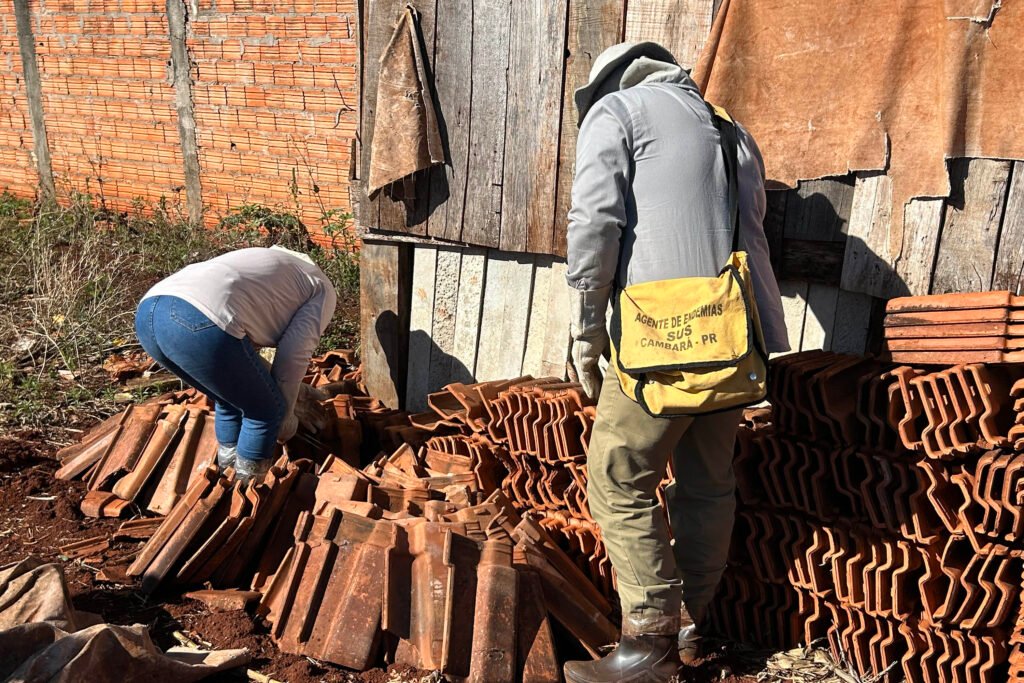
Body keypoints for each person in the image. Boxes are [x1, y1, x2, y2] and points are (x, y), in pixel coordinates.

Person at [563, 42, 790, 682]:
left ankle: (648, 641)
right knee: (706, 483)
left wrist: (586, 331)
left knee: (617, 478)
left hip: (657, 342)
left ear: (607, 86)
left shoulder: (617, 113)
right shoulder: (732, 130)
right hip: (731, 340)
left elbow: (594, 226)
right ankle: (692, 627)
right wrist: (765, 341)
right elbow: (753, 237)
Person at [134, 245, 337, 482]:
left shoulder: (267, 266)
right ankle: (245, 492)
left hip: (149, 315)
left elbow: (240, 359)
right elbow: (293, 356)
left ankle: (226, 480)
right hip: (199, 318)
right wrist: (286, 413)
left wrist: (293, 392)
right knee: (265, 412)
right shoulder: (321, 289)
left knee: (230, 400)